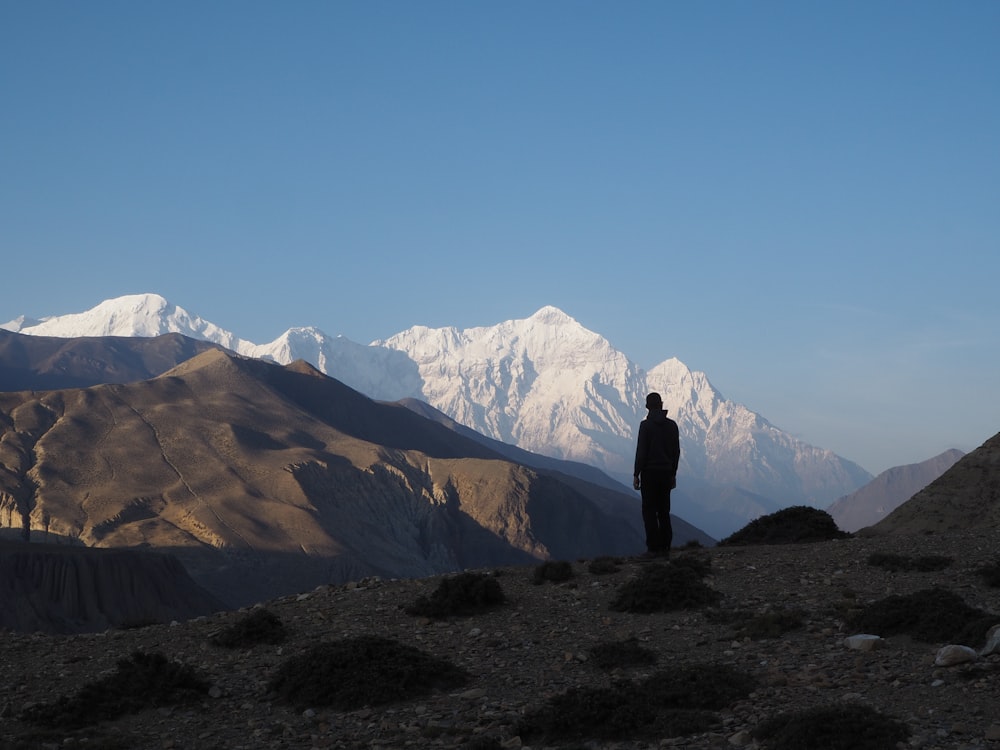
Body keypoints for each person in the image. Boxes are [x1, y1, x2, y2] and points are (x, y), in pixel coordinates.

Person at [633, 392, 680, 558]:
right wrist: (673, 473)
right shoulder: (672, 426)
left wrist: (636, 474)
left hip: (649, 474)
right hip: (666, 473)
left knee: (649, 511)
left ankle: (653, 549)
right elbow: (676, 453)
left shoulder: (645, 426)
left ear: (647, 407)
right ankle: (665, 548)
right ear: (661, 404)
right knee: (664, 511)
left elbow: (641, 452)